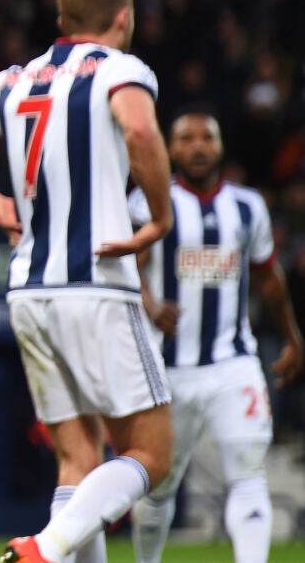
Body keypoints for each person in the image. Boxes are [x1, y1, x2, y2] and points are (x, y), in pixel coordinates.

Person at [0, 0, 174, 563]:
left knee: (77, 461)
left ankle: (47, 546)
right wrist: (159, 216)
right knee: (152, 455)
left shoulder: (15, 81)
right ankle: (43, 550)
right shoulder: (119, 69)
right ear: (124, 17)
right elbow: (139, 130)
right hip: (98, 284)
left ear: (63, 14)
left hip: (29, 289)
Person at [129, 111, 303, 563]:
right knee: (157, 488)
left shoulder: (248, 206)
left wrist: (291, 336)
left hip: (233, 363)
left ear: (221, 147)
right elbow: (126, 267)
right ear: (170, 150)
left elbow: (268, 278)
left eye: (208, 136)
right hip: (166, 370)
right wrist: (149, 303)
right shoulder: (148, 202)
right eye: (186, 137)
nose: (199, 146)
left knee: (248, 475)